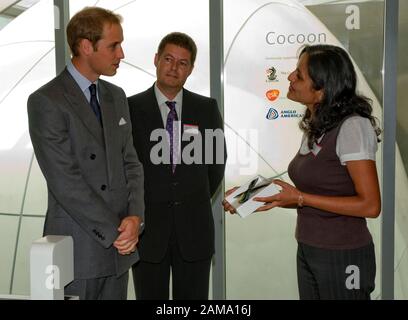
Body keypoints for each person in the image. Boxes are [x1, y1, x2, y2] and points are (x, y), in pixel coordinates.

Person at [224, 44, 381, 300]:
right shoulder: (317, 125)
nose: (289, 77)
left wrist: (300, 199)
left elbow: (370, 205)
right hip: (310, 248)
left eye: (299, 74)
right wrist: (250, 195)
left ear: (321, 90)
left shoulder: (353, 127)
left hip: (343, 254)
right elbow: (309, 191)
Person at [27, 7, 144, 300]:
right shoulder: (46, 101)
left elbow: (132, 164)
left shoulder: (115, 96)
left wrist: (135, 218)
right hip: (77, 249)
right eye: (113, 45)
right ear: (85, 46)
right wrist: (117, 232)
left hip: (119, 251)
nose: (122, 54)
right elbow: (66, 183)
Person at [128, 32, 226, 300]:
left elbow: (216, 164)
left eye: (183, 63)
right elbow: (124, 167)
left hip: (194, 231)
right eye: (168, 59)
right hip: (147, 234)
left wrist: (188, 196)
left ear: (191, 69)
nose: (174, 67)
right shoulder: (129, 108)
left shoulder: (206, 108)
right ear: (156, 60)